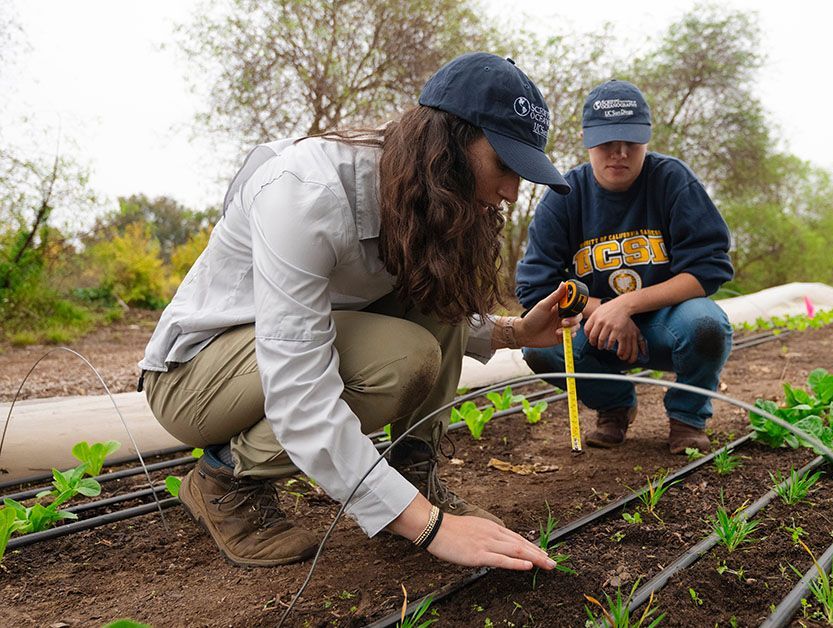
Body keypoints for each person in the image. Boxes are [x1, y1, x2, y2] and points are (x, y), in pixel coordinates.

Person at [138, 53, 577, 571]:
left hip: (274, 355)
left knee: (441, 292)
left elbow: (440, 311)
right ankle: (222, 478)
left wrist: (516, 332)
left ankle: (415, 474)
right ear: (448, 145)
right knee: (402, 360)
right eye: (504, 165)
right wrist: (428, 528)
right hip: (195, 377)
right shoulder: (305, 193)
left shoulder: (421, 199)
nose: (510, 191)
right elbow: (301, 390)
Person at [515, 79, 734, 455]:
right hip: (597, 330)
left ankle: (687, 418)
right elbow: (537, 287)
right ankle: (614, 405)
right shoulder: (564, 196)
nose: (619, 153)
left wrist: (627, 305)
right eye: (606, 142)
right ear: (585, 139)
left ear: (647, 138)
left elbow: (709, 268)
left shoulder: (673, 181)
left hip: (669, 322)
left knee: (707, 324)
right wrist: (602, 310)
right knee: (541, 347)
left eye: (631, 142)